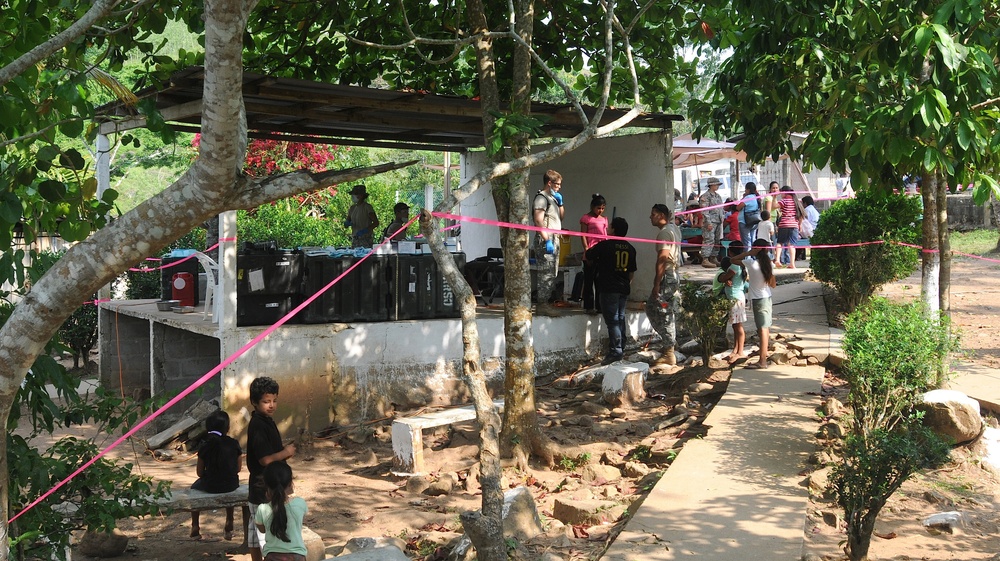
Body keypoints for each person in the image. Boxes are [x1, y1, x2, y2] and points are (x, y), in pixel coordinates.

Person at [247, 377, 297, 561]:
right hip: (263, 486)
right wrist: (285, 452)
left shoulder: (266, 420)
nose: (272, 405)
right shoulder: (259, 425)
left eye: (274, 400)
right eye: (266, 401)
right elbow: (265, 459)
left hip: (265, 484)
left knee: (254, 530)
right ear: (254, 402)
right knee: (263, 532)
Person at [586, 217, 637, 365]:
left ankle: (616, 351)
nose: (607, 229)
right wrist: (626, 284)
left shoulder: (605, 246)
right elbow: (632, 272)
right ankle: (621, 346)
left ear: (614, 229)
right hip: (623, 288)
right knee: (620, 318)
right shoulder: (630, 248)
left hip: (609, 288)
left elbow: (589, 255)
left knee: (613, 321)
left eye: (609, 227)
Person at [190, 410, 243, 541]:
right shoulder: (234, 443)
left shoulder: (205, 445)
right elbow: (238, 468)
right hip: (231, 484)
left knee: (193, 488)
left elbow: (199, 473)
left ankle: (195, 525)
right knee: (229, 489)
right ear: (228, 428)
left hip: (210, 484)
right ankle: (229, 522)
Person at [645, 203, 682, 366]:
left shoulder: (665, 233)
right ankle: (670, 344)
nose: (650, 217)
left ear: (661, 215)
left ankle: (669, 350)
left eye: (653, 214)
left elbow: (662, 258)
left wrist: (656, 283)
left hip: (667, 275)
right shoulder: (673, 228)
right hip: (673, 275)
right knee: (659, 309)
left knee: (661, 310)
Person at [733, 239, 777, 369]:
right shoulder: (769, 264)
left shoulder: (751, 263)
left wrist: (748, 253)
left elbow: (733, 259)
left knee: (762, 329)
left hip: (759, 300)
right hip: (766, 297)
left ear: (755, 249)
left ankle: (762, 361)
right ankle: (764, 353)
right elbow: (773, 284)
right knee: (764, 328)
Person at [254, 462, 308, 561]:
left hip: (271, 557)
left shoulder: (262, 509)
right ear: (290, 484)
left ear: (266, 485)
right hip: (297, 556)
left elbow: (262, 530)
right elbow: (300, 521)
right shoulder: (300, 503)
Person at [533, 170, 565, 317]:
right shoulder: (541, 198)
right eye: (557, 184)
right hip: (546, 238)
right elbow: (538, 220)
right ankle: (542, 304)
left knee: (553, 272)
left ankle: (546, 302)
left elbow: (561, 218)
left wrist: (561, 203)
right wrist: (546, 240)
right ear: (549, 183)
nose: (559, 187)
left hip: (555, 237)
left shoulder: (553, 198)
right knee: (546, 272)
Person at [714, 246, 748, 364]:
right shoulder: (741, 265)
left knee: (738, 326)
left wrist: (725, 278)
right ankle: (735, 349)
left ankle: (740, 351)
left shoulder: (734, 265)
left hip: (736, 298)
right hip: (735, 297)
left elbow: (724, 277)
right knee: (735, 325)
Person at [579, 193, 608, 314]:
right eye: (598, 208)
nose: (600, 210)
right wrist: (587, 250)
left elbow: (605, 235)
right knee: (589, 280)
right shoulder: (586, 219)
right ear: (592, 206)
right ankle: (589, 306)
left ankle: (600, 306)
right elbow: (583, 235)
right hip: (591, 251)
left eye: (602, 208)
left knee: (600, 281)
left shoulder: (604, 219)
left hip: (601, 253)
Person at [775, 186, 805, 269]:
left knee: (780, 243)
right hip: (794, 225)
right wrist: (800, 225)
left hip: (784, 224)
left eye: (781, 193)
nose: (780, 194)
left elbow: (774, 206)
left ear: (785, 192)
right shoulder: (797, 202)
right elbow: (801, 215)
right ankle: (792, 263)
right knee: (791, 245)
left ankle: (777, 260)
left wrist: (774, 197)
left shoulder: (784, 201)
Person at [698, 177, 725, 269]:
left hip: (718, 221)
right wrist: (708, 222)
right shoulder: (705, 196)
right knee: (709, 239)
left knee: (717, 240)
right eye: (716, 184)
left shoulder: (718, 196)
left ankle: (713, 257)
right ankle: (705, 259)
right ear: (711, 185)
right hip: (710, 222)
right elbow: (705, 211)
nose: (717, 186)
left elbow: (721, 209)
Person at [735, 182, 762, 253]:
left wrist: (743, 198)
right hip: (755, 221)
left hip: (745, 222)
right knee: (752, 239)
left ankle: (747, 258)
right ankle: (754, 256)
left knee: (746, 241)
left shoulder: (748, 198)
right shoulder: (756, 197)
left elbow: (738, 207)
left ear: (748, 190)